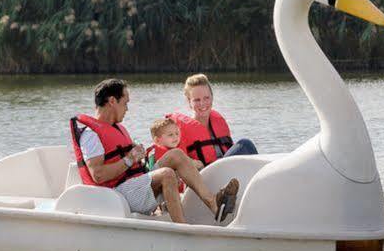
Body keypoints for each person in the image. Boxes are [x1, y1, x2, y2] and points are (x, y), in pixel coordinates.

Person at [70, 78, 238, 225]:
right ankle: (183, 230)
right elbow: (98, 175)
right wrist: (129, 159)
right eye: (125, 103)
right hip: (116, 193)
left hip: (135, 184)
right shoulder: (91, 134)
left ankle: (214, 204)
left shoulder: (117, 128)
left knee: (176, 155)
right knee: (166, 174)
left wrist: (137, 158)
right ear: (112, 101)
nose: (127, 109)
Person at [169, 73, 255, 166]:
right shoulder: (179, 131)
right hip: (205, 174)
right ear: (189, 102)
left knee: (245, 148)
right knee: (245, 144)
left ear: (212, 97)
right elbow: (175, 160)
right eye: (197, 100)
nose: (202, 103)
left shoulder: (219, 122)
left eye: (206, 98)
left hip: (226, 171)